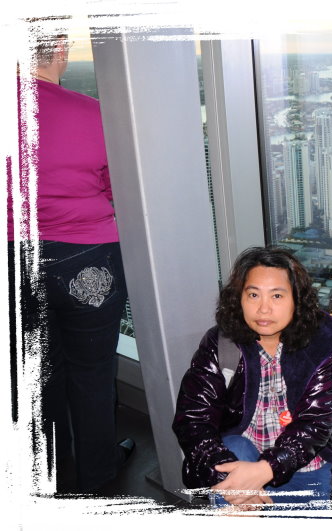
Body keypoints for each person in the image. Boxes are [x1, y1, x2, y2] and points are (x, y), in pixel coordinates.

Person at [9, 21, 134, 494]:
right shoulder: (94, 114)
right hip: (87, 258)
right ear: (61, 47)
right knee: (93, 372)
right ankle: (99, 477)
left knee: (39, 373)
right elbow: (116, 188)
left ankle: (50, 473)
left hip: (13, 259)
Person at [172, 246, 332, 511]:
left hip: (301, 463)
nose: (264, 309)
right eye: (253, 295)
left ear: (296, 300)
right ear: (239, 299)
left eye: (277, 296)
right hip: (236, 457)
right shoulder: (223, 345)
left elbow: (316, 421)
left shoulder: (317, 344)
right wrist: (232, 478)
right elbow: (194, 417)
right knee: (235, 456)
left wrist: (267, 468)